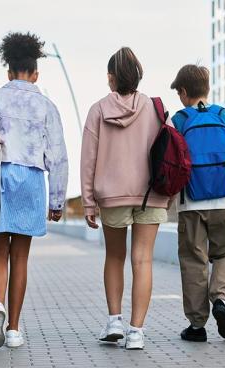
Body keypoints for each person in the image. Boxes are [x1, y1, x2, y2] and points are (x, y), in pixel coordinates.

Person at [0, 32, 68, 349]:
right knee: (20, 257)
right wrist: (57, 199)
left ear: (8, 72)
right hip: (32, 181)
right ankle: (14, 330)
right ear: (36, 74)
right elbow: (58, 157)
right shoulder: (47, 106)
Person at [80, 47, 171, 350]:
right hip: (151, 194)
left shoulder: (98, 110)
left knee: (115, 257)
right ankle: (136, 332)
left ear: (110, 78)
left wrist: (89, 202)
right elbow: (168, 154)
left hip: (113, 195)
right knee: (142, 259)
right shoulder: (156, 109)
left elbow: (88, 160)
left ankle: (114, 321)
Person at [170, 65, 225, 342]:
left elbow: (172, 161)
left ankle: (197, 326)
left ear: (183, 92)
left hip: (191, 201)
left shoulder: (178, 120)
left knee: (193, 259)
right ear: (207, 89)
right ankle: (221, 299)